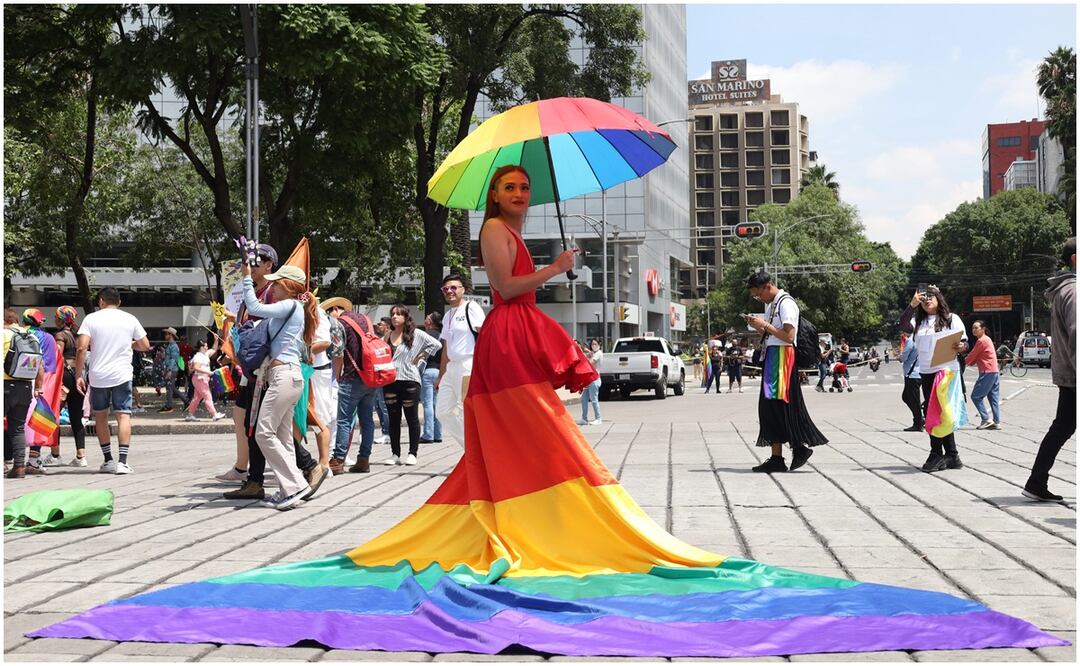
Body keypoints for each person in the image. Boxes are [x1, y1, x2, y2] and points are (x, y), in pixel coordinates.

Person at [239, 262, 319, 510]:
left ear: (287, 285)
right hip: (286, 377)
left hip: (284, 376)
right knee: (283, 437)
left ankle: (295, 486)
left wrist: (245, 279)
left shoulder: (291, 304)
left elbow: (255, 307)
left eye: (276, 282)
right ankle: (288, 490)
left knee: (263, 432)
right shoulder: (294, 308)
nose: (271, 286)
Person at [743, 271, 828, 473]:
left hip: (782, 357)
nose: (758, 298)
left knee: (777, 405)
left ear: (767, 286)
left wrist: (765, 325)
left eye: (758, 294)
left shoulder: (786, 303)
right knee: (771, 406)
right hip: (773, 354)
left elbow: (789, 336)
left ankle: (792, 450)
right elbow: (771, 334)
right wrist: (757, 326)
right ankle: (779, 455)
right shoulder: (770, 304)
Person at [76, 287, 151, 474]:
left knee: (100, 415)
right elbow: (145, 345)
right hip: (122, 374)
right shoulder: (129, 318)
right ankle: (123, 462)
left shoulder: (91, 319)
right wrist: (129, 344)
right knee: (123, 415)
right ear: (119, 302)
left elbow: (81, 348)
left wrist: (78, 374)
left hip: (98, 375)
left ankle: (108, 460)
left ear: (101, 301)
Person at [1023, 237, 1075, 503]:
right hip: (1076, 374)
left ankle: (1036, 480)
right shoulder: (1075, 291)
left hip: (1070, 374)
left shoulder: (1064, 290)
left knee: (1063, 427)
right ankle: (1036, 480)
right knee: (1062, 427)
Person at [899, 285, 969, 473]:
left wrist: (962, 346)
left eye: (931, 297)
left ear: (939, 299)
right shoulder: (917, 321)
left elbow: (965, 343)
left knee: (938, 413)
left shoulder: (952, 319)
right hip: (927, 372)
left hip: (947, 371)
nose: (927, 300)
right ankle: (952, 455)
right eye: (923, 298)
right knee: (939, 413)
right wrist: (911, 305)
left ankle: (936, 454)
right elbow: (903, 324)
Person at [381, 305, 441, 466]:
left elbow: (436, 344)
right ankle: (395, 453)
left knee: (412, 417)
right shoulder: (387, 335)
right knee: (393, 419)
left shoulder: (416, 334)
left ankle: (412, 453)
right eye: (393, 314)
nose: (395, 317)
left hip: (410, 380)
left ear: (406, 317)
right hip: (390, 380)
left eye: (399, 314)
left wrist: (421, 356)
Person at [327, 299, 378, 475]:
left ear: (335, 309)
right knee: (367, 420)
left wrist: (338, 375)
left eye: (328, 313)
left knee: (344, 420)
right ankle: (364, 459)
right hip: (370, 376)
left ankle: (338, 460)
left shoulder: (338, 323)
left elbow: (338, 352)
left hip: (351, 376)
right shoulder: (366, 319)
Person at [436, 274, 485, 447]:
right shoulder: (447, 315)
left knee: (466, 410)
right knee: (442, 411)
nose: (449, 291)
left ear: (463, 289)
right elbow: (446, 348)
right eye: (445, 289)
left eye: (453, 287)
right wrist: (441, 375)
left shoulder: (471, 307)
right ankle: (471, 447)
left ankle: (475, 451)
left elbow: (485, 334)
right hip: (451, 368)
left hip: (468, 364)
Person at [4, 308, 46, 478]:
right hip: (25, 387)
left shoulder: (4, 334)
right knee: (18, 428)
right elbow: (40, 366)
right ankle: (19, 467)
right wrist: (38, 387)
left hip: (5, 384)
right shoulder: (32, 337)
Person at [21, 309, 61, 469]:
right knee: (38, 419)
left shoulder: (15, 333)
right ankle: (33, 459)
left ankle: (9, 459)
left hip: (16, 379)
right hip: (41, 381)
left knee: (13, 419)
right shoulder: (48, 338)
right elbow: (52, 365)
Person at [52, 306, 88, 466]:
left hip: (64, 377)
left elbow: (57, 357)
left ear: (60, 319)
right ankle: (81, 456)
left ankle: (55, 455)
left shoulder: (60, 335)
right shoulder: (78, 335)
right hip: (78, 376)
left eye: (55, 317)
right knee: (76, 417)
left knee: (54, 416)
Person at [966, 320, 1001, 430]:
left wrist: (964, 361)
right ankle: (996, 422)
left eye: (976, 328)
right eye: (973, 328)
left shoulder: (982, 341)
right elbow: (976, 357)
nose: (974, 330)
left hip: (987, 371)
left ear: (983, 329)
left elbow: (973, 355)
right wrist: (970, 362)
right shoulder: (987, 340)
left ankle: (986, 419)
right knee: (993, 397)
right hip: (994, 371)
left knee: (976, 396)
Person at [185, 338, 226, 422]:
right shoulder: (198, 357)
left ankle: (190, 415)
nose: (207, 347)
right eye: (206, 346)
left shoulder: (204, 355)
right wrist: (209, 372)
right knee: (208, 396)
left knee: (197, 398)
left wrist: (216, 339)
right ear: (202, 347)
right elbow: (196, 367)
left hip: (201, 379)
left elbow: (214, 349)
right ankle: (214, 414)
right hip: (200, 379)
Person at [419, 312, 443, 443]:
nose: (425, 320)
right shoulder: (442, 336)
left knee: (427, 404)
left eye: (427, 318)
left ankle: (428, 434)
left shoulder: (425, 336)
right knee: (436, 404)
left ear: (430, 322)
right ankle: (438, 434)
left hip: (427, 372)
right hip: (439, 372)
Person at [372, 316, 393, 445]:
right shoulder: (377, 339)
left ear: (387, 327)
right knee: (378, 405)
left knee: (384, 405)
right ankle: (385, 432)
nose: (378, 326)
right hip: (376, 376)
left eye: (380, 324)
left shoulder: (389, 340)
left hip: (385, 375)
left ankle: (389, 433)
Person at [899, 333, 924, 432]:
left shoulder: (911, 340)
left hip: (912, 373)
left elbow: (904, 357)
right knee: (907, 397)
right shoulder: (921, 338)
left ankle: (919, 422)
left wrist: (899, 357)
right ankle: (919, 419)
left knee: (913, 399)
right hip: (919, 372)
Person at [579, 339, 603, 425]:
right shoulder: (593, 353)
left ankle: (598, 418)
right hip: (589, 379)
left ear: (599, 344)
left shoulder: (599, 353)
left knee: (594, 399)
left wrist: (585, 355)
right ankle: (584, 419)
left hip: (595, 379)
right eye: (592, 344)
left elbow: (590, 363)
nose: (594, 345)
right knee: (584, 399)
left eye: (595, 344)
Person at [160, 327, 181, 414]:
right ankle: (186, 401)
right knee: (170, 387)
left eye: (166, 334)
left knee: (170, 388)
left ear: (171, 335)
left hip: (172, 370)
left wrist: (169, 370)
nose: (165, 335)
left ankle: (169, 406)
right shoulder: (170, 345)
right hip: (170, 369)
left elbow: (173, 359)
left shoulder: (174, 346)